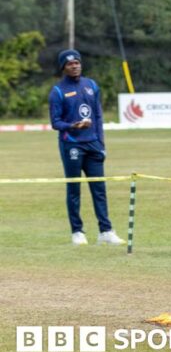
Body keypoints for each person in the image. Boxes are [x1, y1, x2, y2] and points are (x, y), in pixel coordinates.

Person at [49, 49, 125, 247]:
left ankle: (106, 231)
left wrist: (101, 144)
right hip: (72, 145)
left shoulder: (91, 85)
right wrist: (72, 126)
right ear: (63, 67)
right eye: (70, 64)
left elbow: (98, 117)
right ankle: (77, 232)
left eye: (77, 62)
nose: (75, 66)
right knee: (74, 189)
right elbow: (55, 122)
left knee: (99, 189)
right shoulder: (58, 91)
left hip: (93, 145)